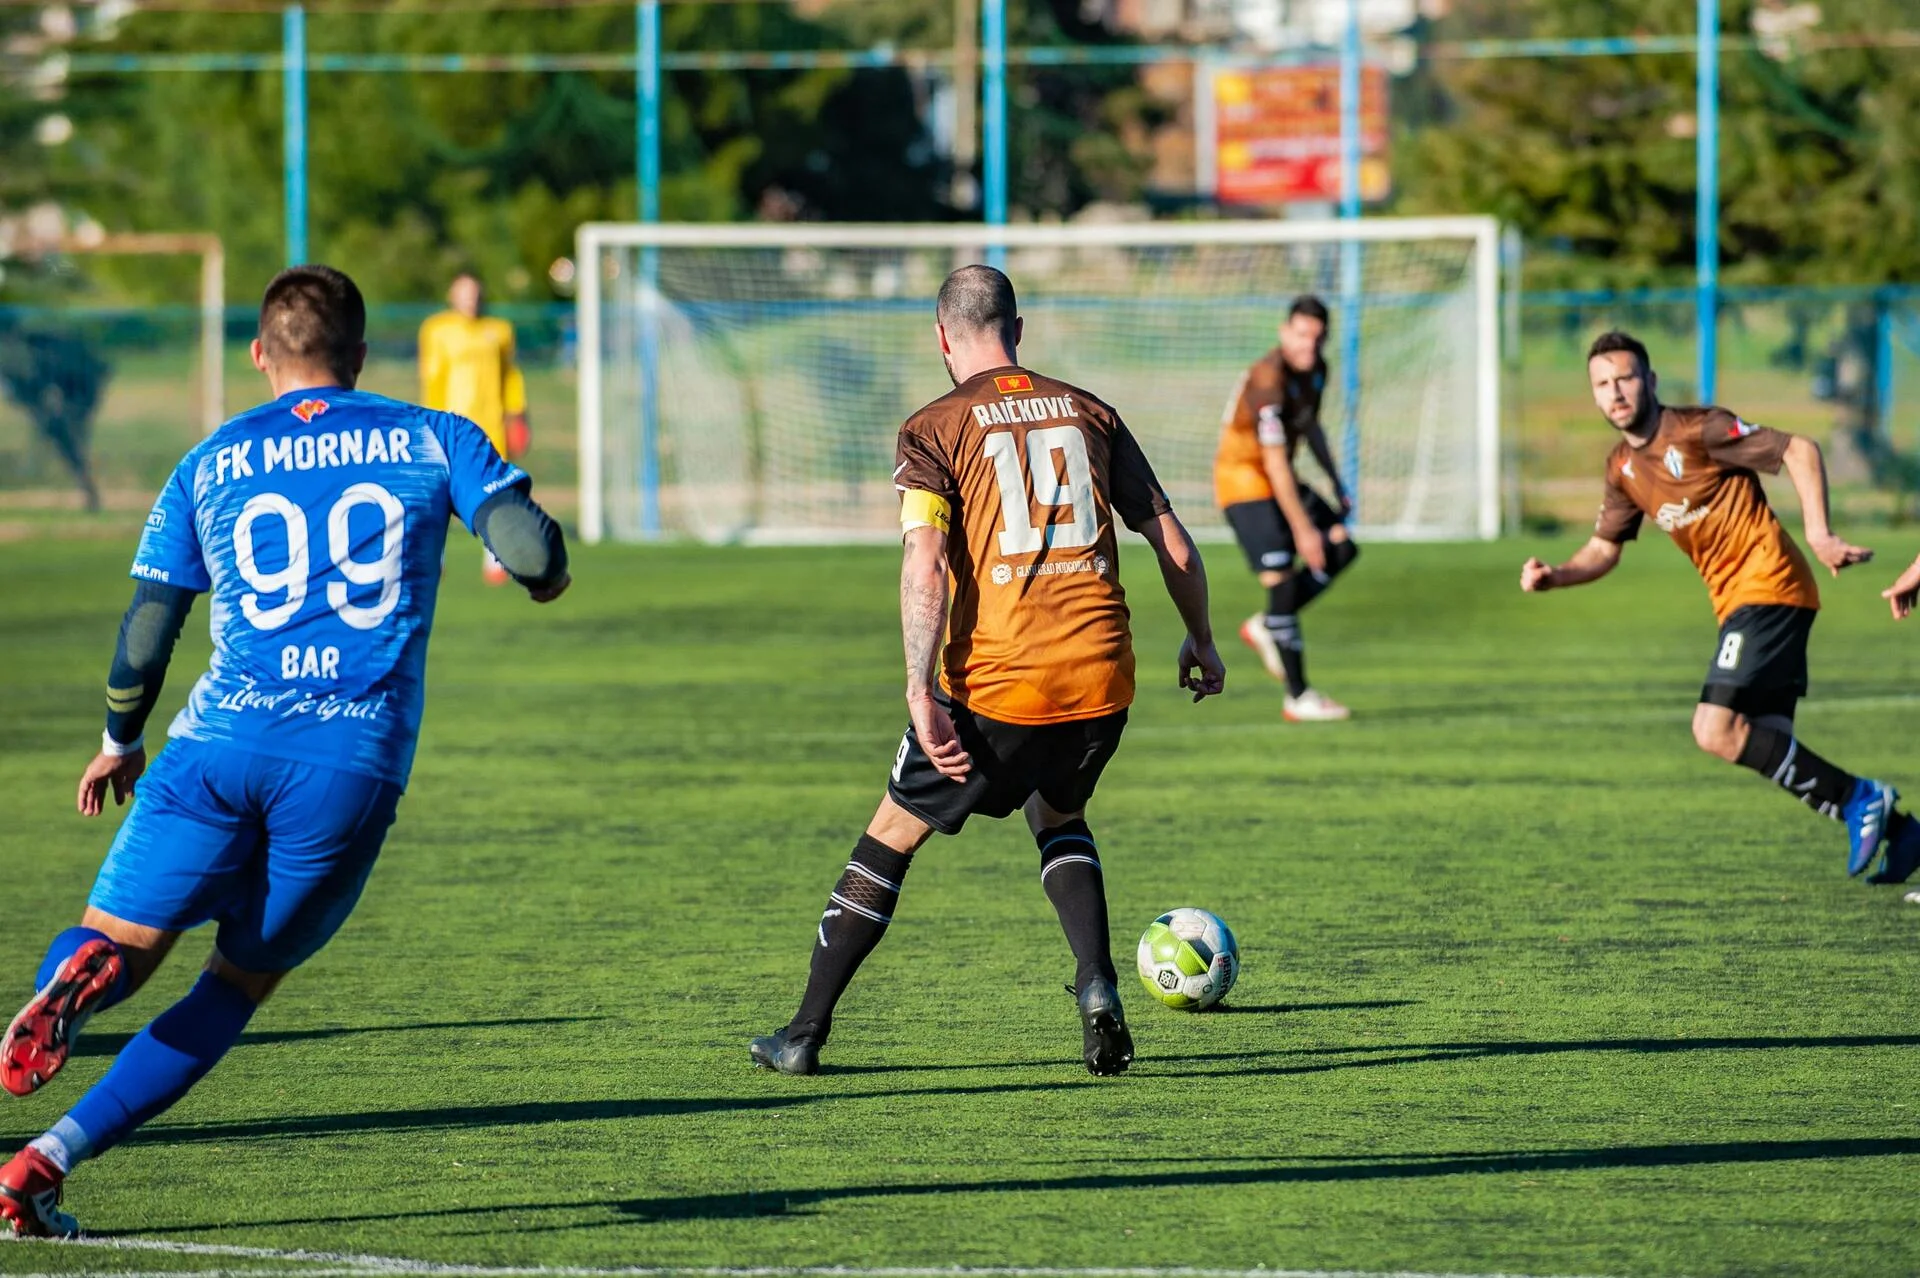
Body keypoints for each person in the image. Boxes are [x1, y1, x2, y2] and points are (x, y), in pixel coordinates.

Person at [0, 265, 571, 1238]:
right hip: (346, 764)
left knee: (119, 942)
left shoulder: (208, 461)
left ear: (260, 354)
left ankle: (74, 980)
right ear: (360, 354)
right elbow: (528, 551)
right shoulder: (429, 434)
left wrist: (117, 739)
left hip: (212, 744)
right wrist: (543, 569)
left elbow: (148, 626)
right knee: (232, 986)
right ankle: (42, 1165)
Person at [749, 265, 1225, 1078]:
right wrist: (1202, 641)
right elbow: (1173, 542)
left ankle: (802, 1035)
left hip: (999, 684)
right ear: (1018, 328)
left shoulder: (933, 427)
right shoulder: (1090, 411)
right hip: (1103, 675)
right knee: (1059, 812)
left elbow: (925, 564)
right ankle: (1097, 984)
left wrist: (916, 690)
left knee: (890, 835)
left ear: (942, 337)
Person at [1519, 329, 1917, 882]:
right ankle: (1904, 833)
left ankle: (1861, 799)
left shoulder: (1699, 430)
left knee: (1712, 728)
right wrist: (1556, 576)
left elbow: (1799, 449)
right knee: (1763, 742)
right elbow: (1603, 549)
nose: (1615, 393)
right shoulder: (1622, 469)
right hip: (1740, 603)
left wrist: (1821, 534)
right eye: (1602, 384)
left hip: (1769, 585)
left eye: (1626, 378)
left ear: (1650, 380)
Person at [1212, 295, 1357, 721]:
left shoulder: (1316, 371)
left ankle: (1270, 622)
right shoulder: (1267, 379)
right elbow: (1274, 461)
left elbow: (1310, 426)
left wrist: (1335, 480)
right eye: (1300, 334)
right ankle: (1298, 696)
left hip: (1280, 480)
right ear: (1284, 331)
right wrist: (1303, 530)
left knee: (1343, 547)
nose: (1308, 345)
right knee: (1282, 576)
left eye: (1316, 337)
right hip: (1244, 481)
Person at [419, 272, 531, 585]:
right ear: (452, 296)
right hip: (451, 425)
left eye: (475, 293)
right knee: (439, 493)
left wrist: (517, 414)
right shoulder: (437, 330)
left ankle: (496, 558)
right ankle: (434, 558)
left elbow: (511, 375)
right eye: (464, 293)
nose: (471, 299)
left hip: (491, 423)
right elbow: (432, 376)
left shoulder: (499, 330)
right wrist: (432, 420)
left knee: (494, 491)